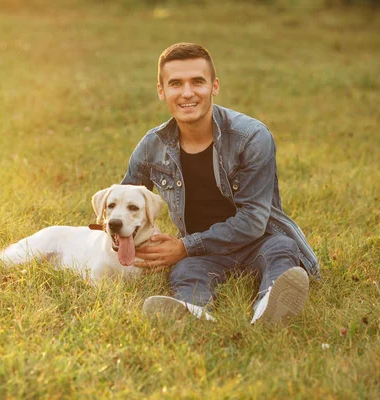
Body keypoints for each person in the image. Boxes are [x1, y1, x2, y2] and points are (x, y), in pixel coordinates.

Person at [120, 43, 319, 325]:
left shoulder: (251, 137)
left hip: (258, 242)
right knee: (184, 272)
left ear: (214, 86)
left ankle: (269, 307)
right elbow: (124, 203)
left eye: (197, 82)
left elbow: (253, 221)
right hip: (203, 255)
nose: (187, 93)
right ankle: (193, 311)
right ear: (161, 91)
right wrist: (135, 244)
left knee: (282, 249)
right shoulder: (152, 146)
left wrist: (184, 246)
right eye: (176, 83)